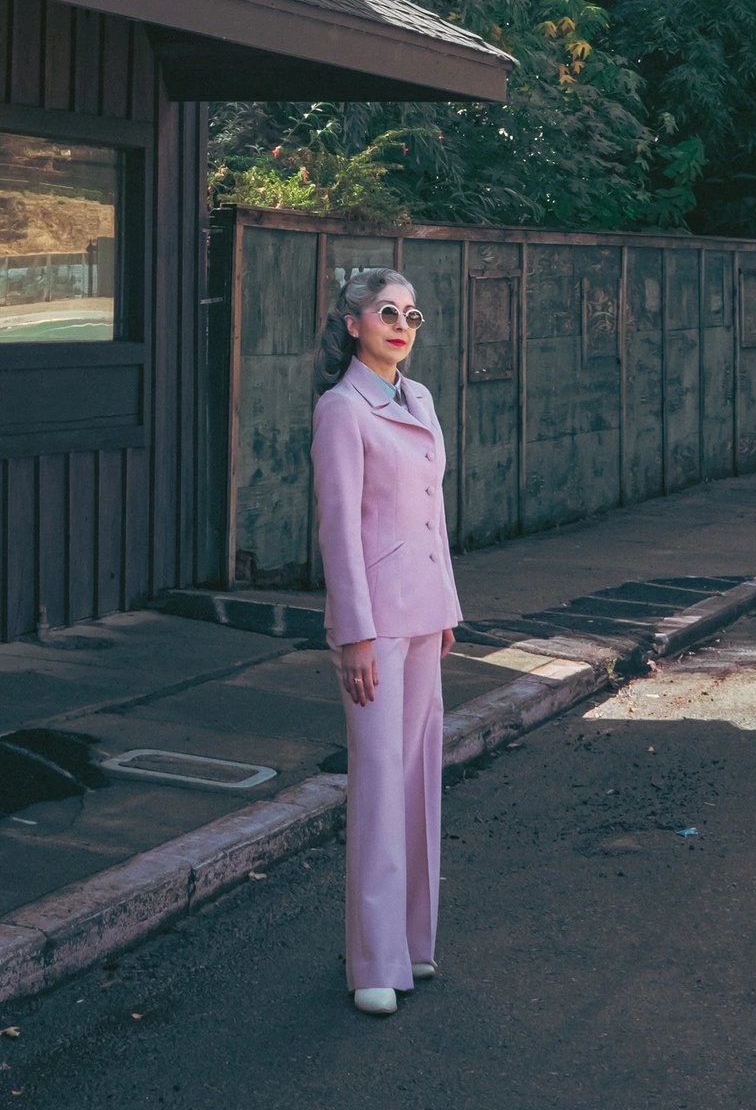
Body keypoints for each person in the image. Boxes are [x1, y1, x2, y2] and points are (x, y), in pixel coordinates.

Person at [311, 266, 461, 1017]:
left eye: (412, 314)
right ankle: (373, 960)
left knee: (419, 782)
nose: (401, 325)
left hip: (426, 616)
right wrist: (354, 636)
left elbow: (433, 511)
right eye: (386, 312)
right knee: (377, 784)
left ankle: (413, 944)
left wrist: (449, 606)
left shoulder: (421, 399)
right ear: (352, 323)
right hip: (376, 625)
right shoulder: (342, 410)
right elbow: (338, 531)